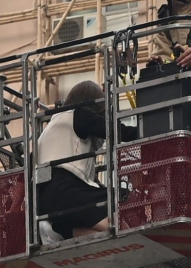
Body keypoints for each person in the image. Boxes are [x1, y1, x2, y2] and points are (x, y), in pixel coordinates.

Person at [36, 80, 136, 244]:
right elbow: (116, 132)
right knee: (121, 203)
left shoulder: (51, 125)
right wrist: (148, 130)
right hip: (67, 190)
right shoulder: (80, 114)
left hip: (43, 198)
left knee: (97, 234)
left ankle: (59, 230)